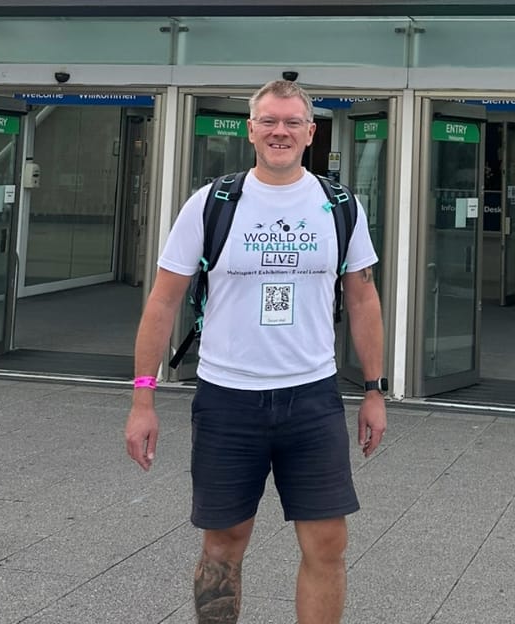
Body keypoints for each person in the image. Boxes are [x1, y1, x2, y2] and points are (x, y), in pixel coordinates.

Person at [124, 80, 388, 624]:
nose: (280, 132)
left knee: (328, 543)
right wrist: (143, 399)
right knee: (224, 543)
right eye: (268, 121)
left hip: (311, 398)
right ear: (250, 130)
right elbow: (162, 301)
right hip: (228, 400)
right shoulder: (212, 204)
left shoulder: (338, 205)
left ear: (311, 132)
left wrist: (374, 390)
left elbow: (362, 297)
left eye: (292, 122)